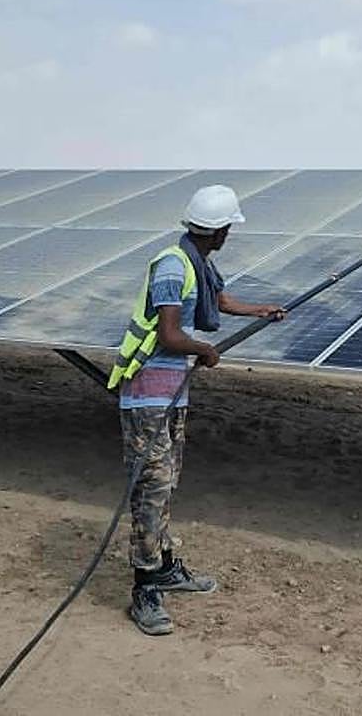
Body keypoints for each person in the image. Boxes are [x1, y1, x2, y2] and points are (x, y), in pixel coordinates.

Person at [106, 184, 285, 636]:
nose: (229, 235)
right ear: (219, 229)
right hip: (147, 391)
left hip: (171, 392)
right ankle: (145, 587)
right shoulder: (172, 265)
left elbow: (220, 301)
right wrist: (204, 349)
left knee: (166, 483)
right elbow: (168, 333)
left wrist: (260, 310)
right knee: (152, 486)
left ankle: (164, 567)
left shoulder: (197, 263)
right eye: (229, 227)